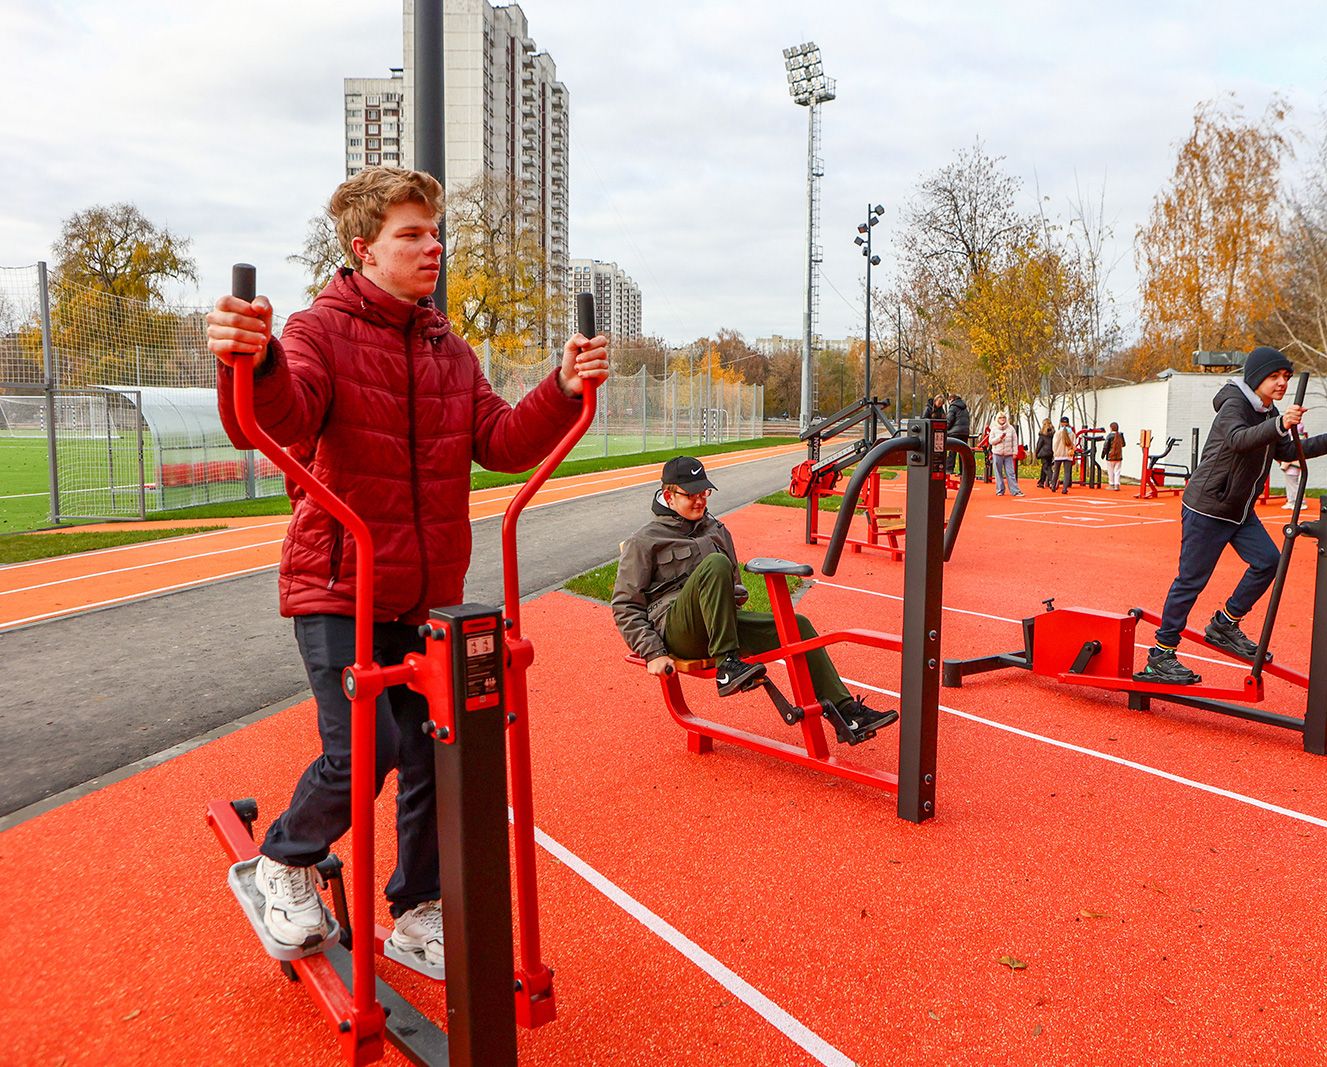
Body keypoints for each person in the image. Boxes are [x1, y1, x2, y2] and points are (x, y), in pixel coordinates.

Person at [205, 167, 610, 966]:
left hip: (426, 594)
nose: (434, 247)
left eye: (434, 232)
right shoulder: (318, 331)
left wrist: (562, 387)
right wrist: (249, 361)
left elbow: (498, 442)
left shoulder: (447, 349)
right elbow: (283, 416)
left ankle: (419, 907)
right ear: (364, 249)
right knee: (368, 750)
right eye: (412, 235)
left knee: (434, 749)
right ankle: (282, 860)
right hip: (339, 583)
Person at [612, 457, 898, 743]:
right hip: (678, 631)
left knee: (796, 626)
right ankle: (728, 668)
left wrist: (730, 596)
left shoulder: (717, 530)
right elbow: (625, 605)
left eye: (704, 493)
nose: (700, 501)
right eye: (691, 495)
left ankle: (847, 713)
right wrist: (653, 652)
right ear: (668, 496)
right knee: (714, 564)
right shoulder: (645, 541)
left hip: (719, 625)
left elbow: (735, 585)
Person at [1135, 347, 1327, 685]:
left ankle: (1225, 622)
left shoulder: (1269, 412)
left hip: (1239, 509)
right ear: (1256, 379)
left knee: (1269, 561)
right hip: (1209, 506)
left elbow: (1289, 450)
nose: (1282, 382)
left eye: (1286, 377)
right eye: (1274, 377)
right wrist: (1280, 423)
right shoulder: (1234, 405)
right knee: (1191, 580)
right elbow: (1239, 440)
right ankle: (1161, 654)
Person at [990, 413, 1022, 497]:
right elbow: (991, 441)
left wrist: (1015, 452)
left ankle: (1015, 491)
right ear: (997, 419)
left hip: (1008, 454)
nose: (1002, 419)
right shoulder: (994, 429)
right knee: (998, 473)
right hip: (997, 453)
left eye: (1004, 417)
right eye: (1000, 417)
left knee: (1010, 472)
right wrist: (999, 438)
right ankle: (1000, 490)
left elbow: (1015, 441)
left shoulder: (1011, 429)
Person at [946, 394, 971, 482]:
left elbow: (949, 420)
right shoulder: (965, 408)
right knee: (962, 451)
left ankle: (949, 469)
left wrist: (946, 429)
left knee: (952, 451)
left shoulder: (953, 407)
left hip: (955, 432)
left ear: (951, 400)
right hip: (964, 432)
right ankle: (963, 471)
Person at [1103, 422, 1126, 490]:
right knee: (1117, 471)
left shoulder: (1109, 436)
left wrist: (1103, 454)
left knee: (1110, 471)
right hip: (1119, 456)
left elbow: (1106, 446)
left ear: (1111, 428)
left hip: (1110, 456)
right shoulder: (1120, 435)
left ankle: (1111, 484)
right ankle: (1117, 484)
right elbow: (1123, 444)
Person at [1034, 419, 1056, 489]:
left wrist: (1036, 453)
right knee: (1045, 466)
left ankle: (1053, 480)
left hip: (1044, 453)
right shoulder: (1053, 434)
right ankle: (1041, 482)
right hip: (1050, 452)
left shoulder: (1042, 434)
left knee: (1046, 468)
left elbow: (1039, 445)